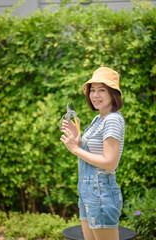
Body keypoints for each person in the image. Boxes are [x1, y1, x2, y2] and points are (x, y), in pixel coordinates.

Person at [60, 67, 125, 240]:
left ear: (113, 94)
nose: (95, 95)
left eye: (102, 90)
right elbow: (94, 152)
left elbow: (109, 163)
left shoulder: (112, 119)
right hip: (88, 190)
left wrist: (76, 149)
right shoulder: (99, 119)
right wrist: (77, 140)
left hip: (101, 191)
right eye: (92, 90)